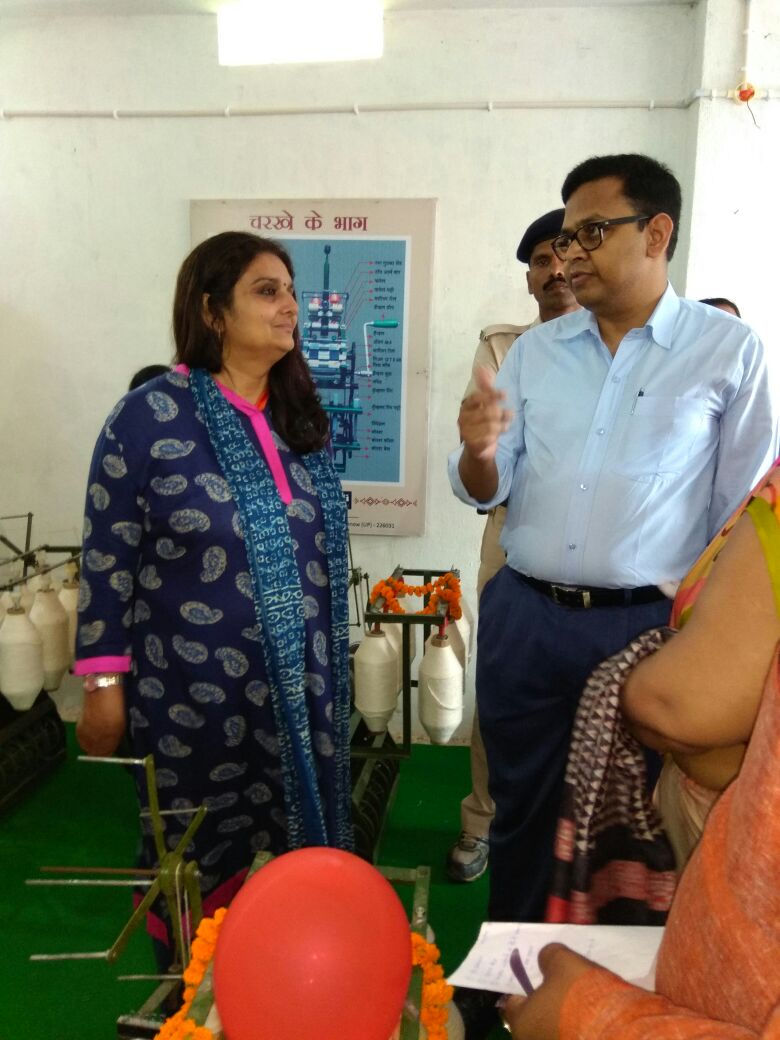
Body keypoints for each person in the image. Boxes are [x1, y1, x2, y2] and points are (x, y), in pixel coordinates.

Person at [448, 153, 776, 1038]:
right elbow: (486, 485)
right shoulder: (534, 353)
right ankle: (502, 1003)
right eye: (566, 236)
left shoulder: (727, 352)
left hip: (644, 636)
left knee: (639, 835)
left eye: (594, 232)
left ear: (657, 233)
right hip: (526, 614)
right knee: (521, 814)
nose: (571, 255)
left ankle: (620, 1006)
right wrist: (479, 447)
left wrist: (702, 641)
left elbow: (740, 517)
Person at [74, 231, 353, 961]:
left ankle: (285, 982)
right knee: (199, 849)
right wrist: (102, 685)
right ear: (212, 311)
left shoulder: (302, 421)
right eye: (267, 290)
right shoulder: (148, 418)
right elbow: (107, 558)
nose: (289, 305)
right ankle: (189, 997)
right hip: (192, 695)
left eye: (291, 290)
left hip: (300, 690)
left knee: (296, 851)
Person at [503, 458, 780, 1039]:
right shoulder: (526, 362)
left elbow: (681, 705)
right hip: (532, 602)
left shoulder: (726, 363)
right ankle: (510, 976)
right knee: (523, 816)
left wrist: (593, 1016)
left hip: (640, 621)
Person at [447, 209, 580, 884]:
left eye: (564, 255)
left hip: (610, 568)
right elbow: (488, 467)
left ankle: (577, 837)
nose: (555, 271)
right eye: (540, 262)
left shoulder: (642, 351)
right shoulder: (503, 351)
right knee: (502, 695)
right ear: (529, 279)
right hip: (513, 546)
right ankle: (483, 823)